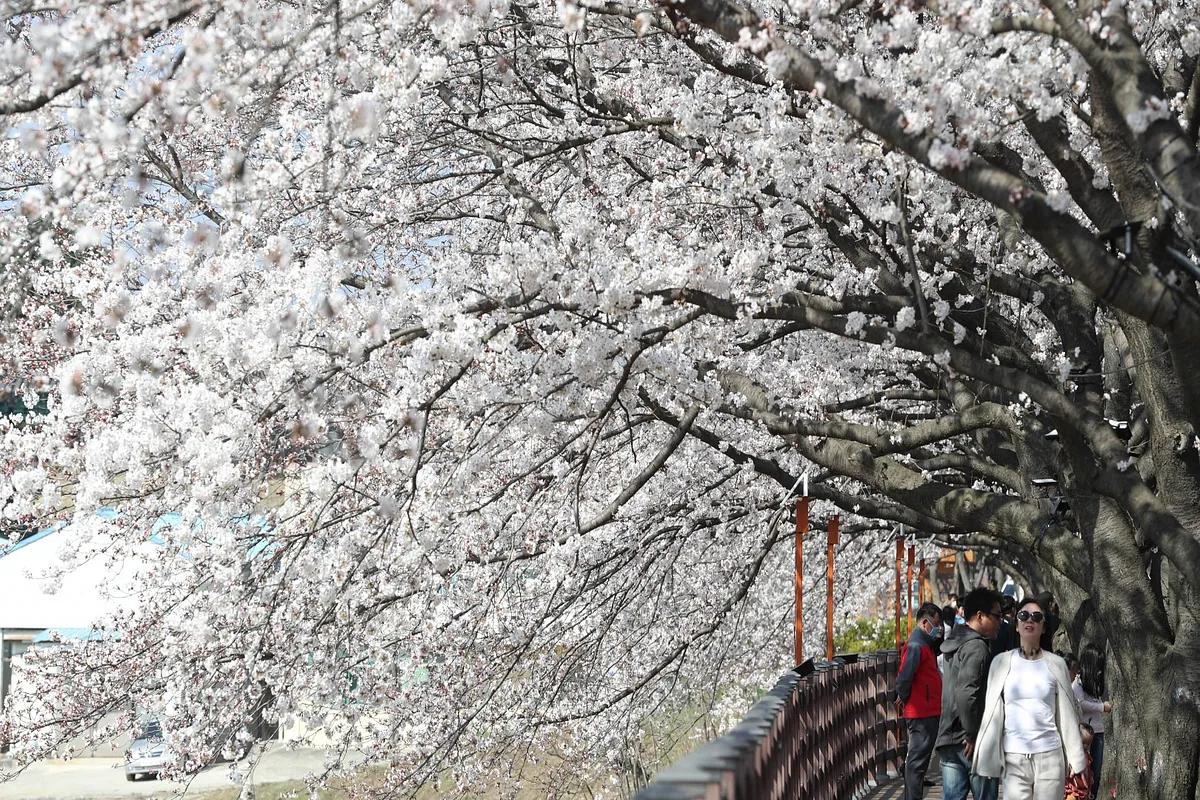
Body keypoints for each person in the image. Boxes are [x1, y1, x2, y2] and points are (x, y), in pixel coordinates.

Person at [973, 599, 1088, 800]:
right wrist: (985, 752)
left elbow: (1067, 715)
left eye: (1037, 617)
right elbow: (992, 711)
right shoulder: (1001, 663)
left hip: (1050, 757)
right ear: (1016, 625)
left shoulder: (1057, 664)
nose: (1030, 621)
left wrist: (1077, 759)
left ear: (1043, 627)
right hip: (1014, 758)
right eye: (1023, 616)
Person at [936, 587, 1003, 800]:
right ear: (980, 616)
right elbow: (967, 693)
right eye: (997, 616)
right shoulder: (977, 648)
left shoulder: (955, 642)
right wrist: (972, 734)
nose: (1000, 621)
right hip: (970, 740)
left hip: (948, 735)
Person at [897, 602, 944, 800]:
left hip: (926, 709)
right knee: (917, 762)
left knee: (918, 761)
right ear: (925, 623)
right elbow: (905, 677)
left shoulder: (925, 643)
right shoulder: (917, 645)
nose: (939, 628)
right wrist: (904, 696)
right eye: (936, 624)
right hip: (921, 710)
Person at [1074, 645, 1110, 799]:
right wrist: (1102, 707)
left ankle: (1092, 796)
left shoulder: (1095, 683)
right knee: (1084, 772)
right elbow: (1081, 704)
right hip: (1085, 735)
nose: (1100, 670)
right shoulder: (1077, 683)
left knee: (1096, 772)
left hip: (1099, 732)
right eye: (1098, 665)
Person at [1064, 724, 1095, 800]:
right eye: (1083, 743)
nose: (1086, 746)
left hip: (1083, 790)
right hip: (1072, 790)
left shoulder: (1087, 756)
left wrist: (1091, 778)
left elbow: (1088, 769)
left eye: (1088, 744)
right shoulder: (1072, 755)